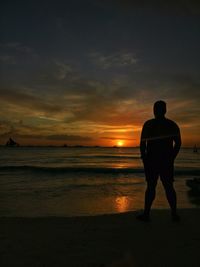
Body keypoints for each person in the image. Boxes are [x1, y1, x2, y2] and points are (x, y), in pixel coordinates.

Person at [137, 100, 181, 222]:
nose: (156, 111)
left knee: (160, 186)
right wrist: (145, 158)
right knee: (161, 186)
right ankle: (170, 214)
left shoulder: (153, 124)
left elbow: (178, 143)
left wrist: (145, 158)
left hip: (158, 160)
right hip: (157, 160)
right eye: (156, 109)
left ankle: (153, 214)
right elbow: (143, 144)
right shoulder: (170, 124)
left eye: (158, 109)